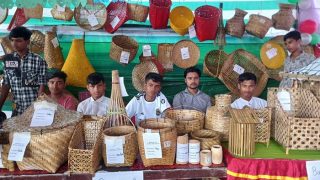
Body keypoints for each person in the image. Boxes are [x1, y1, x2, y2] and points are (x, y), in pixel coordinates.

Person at [0, 26, 47, 116]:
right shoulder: (9, 60)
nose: (14, 44)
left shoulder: (38, 60)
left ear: (28, 42)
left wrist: (38, 111)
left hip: (33, 111)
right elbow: (6, 85)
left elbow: (42, 88)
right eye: (12, 40)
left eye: (18, 40)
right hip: (16, 111)